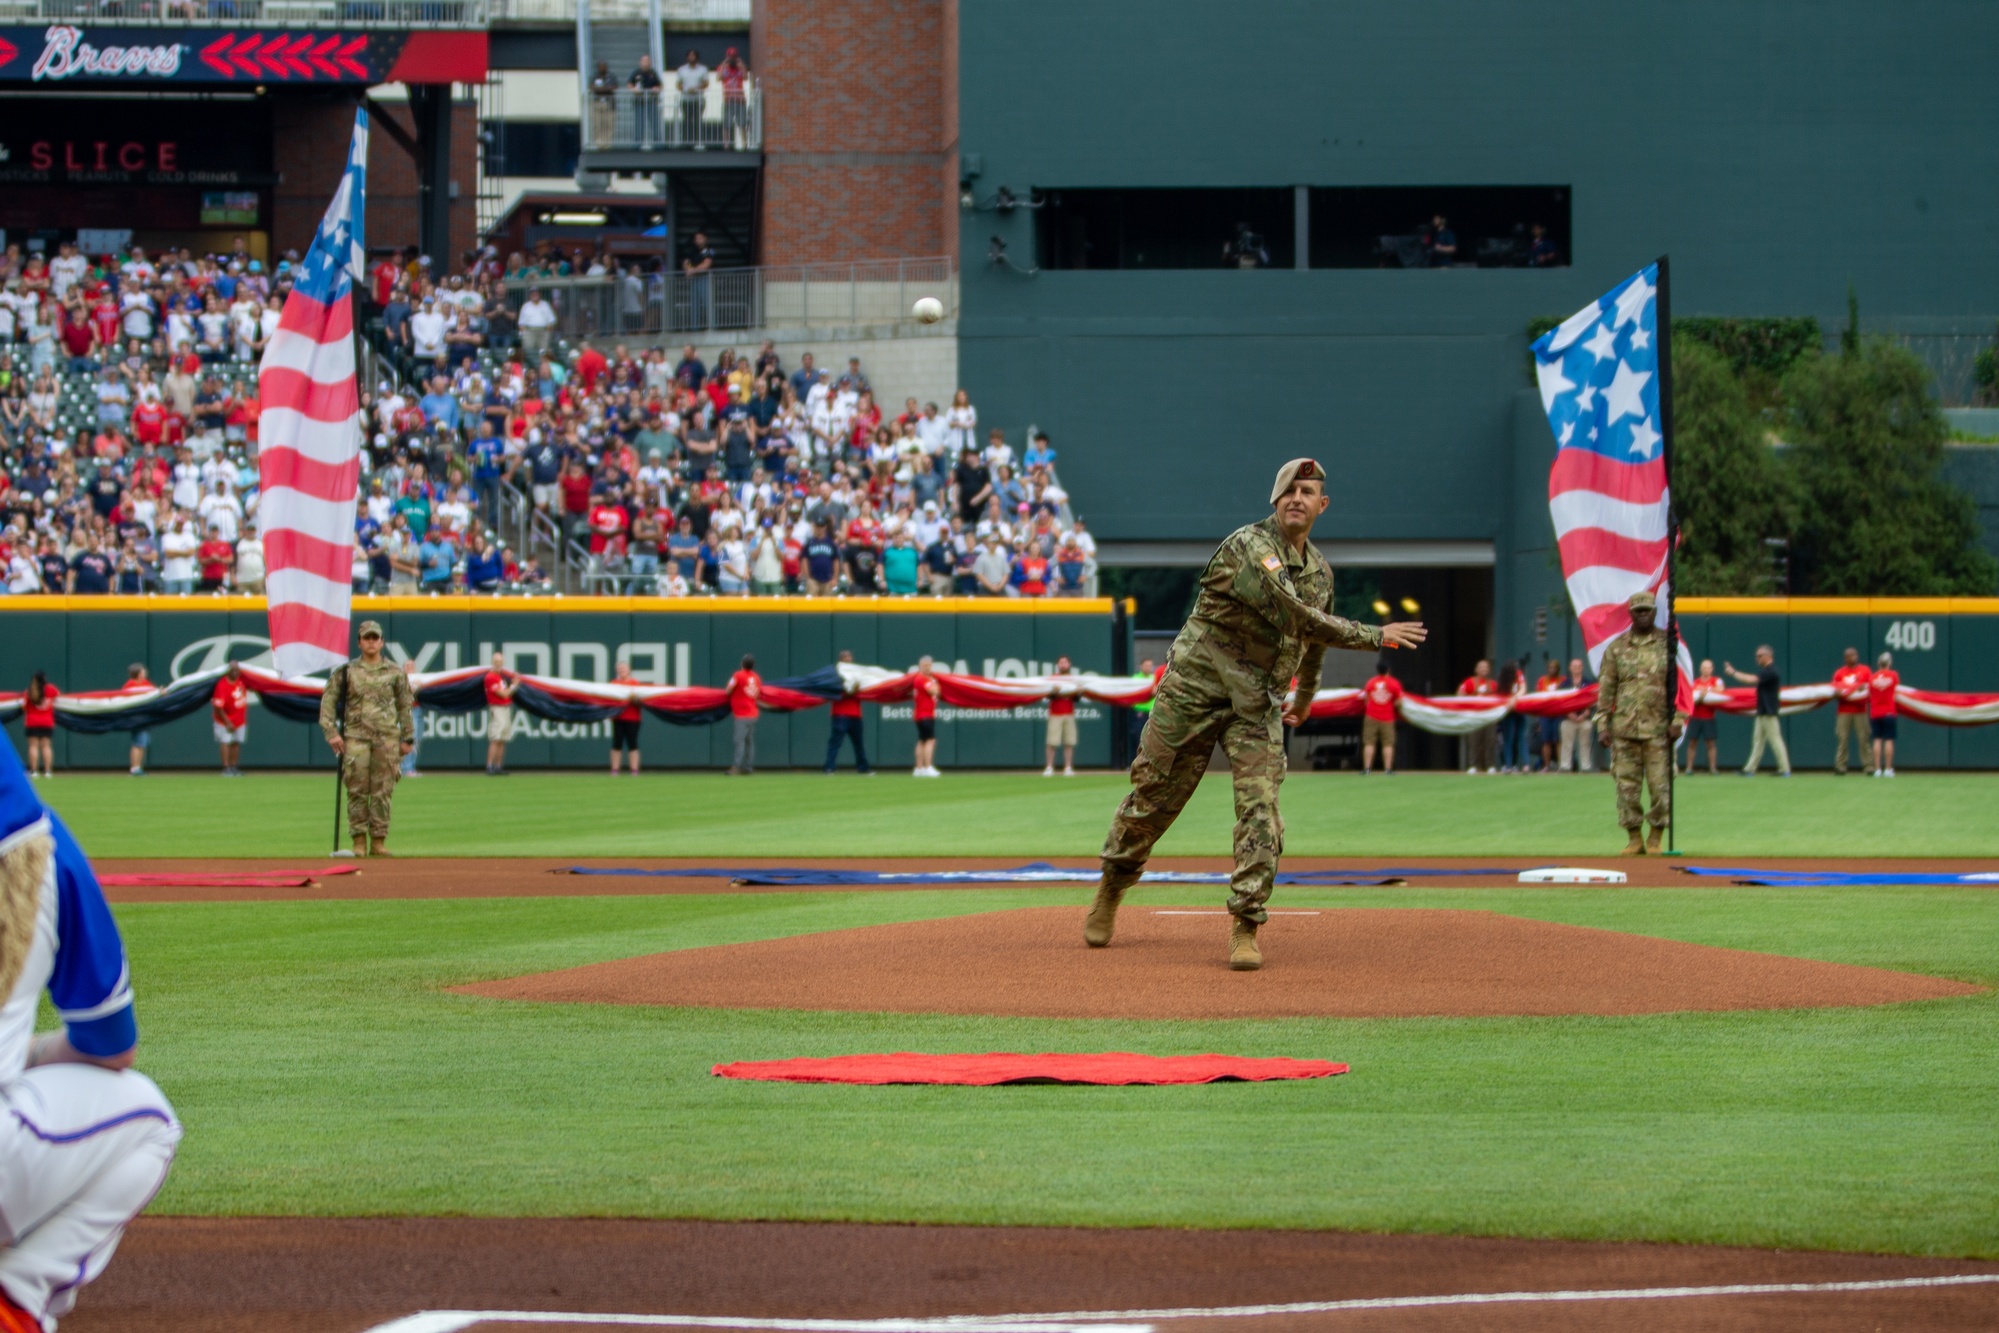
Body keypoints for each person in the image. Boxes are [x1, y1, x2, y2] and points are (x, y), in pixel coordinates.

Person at [1087, 459, 1425, 971]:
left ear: (1322, 505)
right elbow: (1295, 616)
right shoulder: (1249, 547)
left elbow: (1311, 643)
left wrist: (1307, 694)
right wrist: (1374, 634)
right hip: (1194, 691)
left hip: (1255, 704)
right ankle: (1113, 886)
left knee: (1261, 810)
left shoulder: (1320, 573)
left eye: (1308, 491)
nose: (1297, 498)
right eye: (1289, 490)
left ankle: (1246, 924)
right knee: (1154, 799)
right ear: (1274, 499)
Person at [0, 732, 182, 1332]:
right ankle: (14, 1300)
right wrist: (25, 1054)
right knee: (147, 1120)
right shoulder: (43, 845)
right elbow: (110, 1046)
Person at [1594, 591, 1686, 855]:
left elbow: (1682, 686)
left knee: (1661, 786)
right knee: (1626, 788)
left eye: (1647, 610)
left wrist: (1678, 719)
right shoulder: (1617, 647)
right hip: (1624, 729)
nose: (1643, 614)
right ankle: (1634, 838)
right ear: (1631, 614)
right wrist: (1603, 724)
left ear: (1655, 613)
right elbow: (1606, 688)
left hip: (1659, 730)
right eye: (1638, 611)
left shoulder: (1669, 645)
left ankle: (1656, 837)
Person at [318, 622, 416, 857]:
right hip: (356, 738)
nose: (371, 642)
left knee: (383, 791)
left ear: (382, 642)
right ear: (359, 642)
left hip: (387, 739)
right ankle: (359, 841)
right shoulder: (346, 672)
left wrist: (408, 737)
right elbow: (328, 702)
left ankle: (379, 841)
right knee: (357, 790)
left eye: (375, 638)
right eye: (367, 638)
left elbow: (405, 705)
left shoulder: (394, 672)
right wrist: (331, 732)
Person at [1725, 645, 1790, 776]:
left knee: (1775, 740)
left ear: (1768, 656)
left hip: (1769, 711)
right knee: (1757, 742)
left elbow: (1751, 680)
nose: (1757, 659)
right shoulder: (1767, 671)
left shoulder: (1771, 671)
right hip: (1762, 711)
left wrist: (1733, 672)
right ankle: (1749, 769)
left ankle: (1784, 770)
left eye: (1759, 656)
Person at [824, 650, 873, 775]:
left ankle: (863, 768)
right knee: (836, 742)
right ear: (840, 660)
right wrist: (850, 691)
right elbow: (835, 693)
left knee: (859, 744)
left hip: (855, 715)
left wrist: (856, 690)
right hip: (840, 714)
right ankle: (829, 767)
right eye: (844, 657)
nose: (847, 658)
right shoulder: (836, 675)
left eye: (849, 656)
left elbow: (864, 689)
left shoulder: (858, 674)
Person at [1831, 647, 1871, 776]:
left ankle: (1869, 766)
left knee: (1863, 738)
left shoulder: (1865, 671)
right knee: (1842, 738)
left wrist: (1863, 688)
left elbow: (1870, 687)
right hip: (1844, 710)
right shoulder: (1839, 673)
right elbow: (1834, 690)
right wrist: (1838, 693)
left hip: (1860, 710)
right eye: (1851, 656)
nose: (1854, 657)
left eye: (1855, 655)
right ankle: (1841, 766)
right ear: (1845, 658)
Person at [1360, 659, 1403, 773]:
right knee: (1388, 743)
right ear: (1388, 669)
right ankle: (1388, 769)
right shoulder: (1394, 683)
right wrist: (1391, 704)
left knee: (1369, 742)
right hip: (1387, 717)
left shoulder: (1370, 682)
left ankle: (1367, 769)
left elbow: (1366, 700)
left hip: (1371, 716)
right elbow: (1399, 702)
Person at [1682, 658, 1722, 776]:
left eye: (1708, 668)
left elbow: (1721, 690)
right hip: (1695, 717)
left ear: (1712, 669)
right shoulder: (1695, 682)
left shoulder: (1716, 681)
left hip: (1709, 718)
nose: (1706, 670)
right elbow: (1692, 697)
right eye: (1704, 668)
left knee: (1710, 743)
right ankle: (1689, 768)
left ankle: (1713, 769)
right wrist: (1700, 697)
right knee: (1692, 743)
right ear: (1700, 669)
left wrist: (1706, 690)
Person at [1458, 659, 1499, 773]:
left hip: (1489, 717)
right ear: (1476, 669)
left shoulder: (1494, 684)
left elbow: (1499, 699)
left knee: (1490, 741)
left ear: (1489, 669)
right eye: (1481, 667)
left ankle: (1490, 765)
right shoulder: (1469, 682)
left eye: (1486, 667)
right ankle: (1473, 765)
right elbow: (1460, 695)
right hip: (1474, 716)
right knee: (1474, 741)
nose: (1484, 669)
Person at [1043, 654, 1079, 777]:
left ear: (1069, 664)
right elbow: (1047, 695)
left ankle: (1068, 767)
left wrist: (1074, 691)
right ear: (1058, 665)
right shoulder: (1053, 679)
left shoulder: (1073, 679)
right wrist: (1055, 691)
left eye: (1065, 662)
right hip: (1055, 713)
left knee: (1069, 742)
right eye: (1061, 662)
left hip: (1069, 713)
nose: (1063, 665)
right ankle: (1049, 767)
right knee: (1052, 741)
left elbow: (1077, 698)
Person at [210, 661, 248, 777]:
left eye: (237, 670)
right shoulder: (222, 685)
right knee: (225, 741)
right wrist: (227, 722)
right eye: (233, 670)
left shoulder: (241, 682)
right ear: (228, 671)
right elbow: (218, 707)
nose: (236, 672)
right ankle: (226, 768)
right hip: (224, 720)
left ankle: (233, 766)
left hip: (239, 719)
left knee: (236, 742)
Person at [483, 652, 517, 775]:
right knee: (496, 738)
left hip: (505, 708)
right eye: (496, 662)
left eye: (500, 662)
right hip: (497, 708)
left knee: (502, 739)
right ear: (492, 663)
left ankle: (498, 766)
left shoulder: (500, 677)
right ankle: (489, 766)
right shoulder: (491, 677)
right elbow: (503, 694)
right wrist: (514, 686)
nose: (498, 664)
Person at [1557, 657, 1594, 772]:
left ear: (1582, 668)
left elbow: (1592, 700)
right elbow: (1560, 702)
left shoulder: (1588, 683)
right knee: (1567, 743)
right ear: (1570, 668)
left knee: (1585, 743)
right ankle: (1565, 766)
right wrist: (1570, 714)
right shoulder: (1564, 684)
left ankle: (1585, 766)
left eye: (1579, 666)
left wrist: (1585, 714)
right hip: (1568, 719)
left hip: (1584, 718)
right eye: (1575, 666)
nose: (1577, 668)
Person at [726, 653, 760, 775]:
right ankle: (748, 767)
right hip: (753, 713)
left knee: (739, 741)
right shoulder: (756, 677)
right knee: (749, 741)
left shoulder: (738, 675)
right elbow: (757, 693)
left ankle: (736, 767)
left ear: (742, 664)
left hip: (742, 714)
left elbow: (728, 690)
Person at [1868, 651, 1901, 778]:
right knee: (1888, 740)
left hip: (1875, 712)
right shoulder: (1893, 675)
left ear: (1878, 663)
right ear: (1889, 663)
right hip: (1889, 712)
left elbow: (1869, 693)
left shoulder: (1872, 678)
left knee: (1877, 739)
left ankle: (1877, 769)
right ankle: (1888, 769)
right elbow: (1897, 690)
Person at [610, 659, 645, 775]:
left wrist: (634, 699)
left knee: (632, 743)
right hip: (618, 718)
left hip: (633, 718)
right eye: (620, 669)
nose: (622, 671)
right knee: (617, 743)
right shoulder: (613, 683)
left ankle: (634, 769)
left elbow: (641, 701)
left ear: (629, 670)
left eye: (624, 668)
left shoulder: (635, 683)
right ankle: (615, 769)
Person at [911, 655, 942, 777]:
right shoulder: (921, 679)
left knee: (922, 740)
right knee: (930, 740)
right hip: (924, 714)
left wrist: (935, 686)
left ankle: (919, 768)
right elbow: (934, 691)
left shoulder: (929, 679)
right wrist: (935, 687)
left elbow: (936, 690)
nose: (927, 668)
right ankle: (928, 767)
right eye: (925, 665)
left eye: (929, 665)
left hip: (925, 713)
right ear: (920, 666)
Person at [20, 674, 56, 779]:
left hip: (32, 722)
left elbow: (23, 707)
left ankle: (34, 771)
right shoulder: (51, 689)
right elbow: (59, 699)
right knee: (46, 746)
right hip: (47, 722)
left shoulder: (29, 692)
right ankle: (48, 771)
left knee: (33, 746)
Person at [1496, 661, 1528, 772]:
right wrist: (1514, 699)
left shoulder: (1502, 677)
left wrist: (1513, 699)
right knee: (1518, 738)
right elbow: (1523, 689)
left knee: (1509, 738)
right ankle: (1525, 765)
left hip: (1513, 708)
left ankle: (1509, 765)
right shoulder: (1516, 674)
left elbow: (1522, 689)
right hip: (1513, 709)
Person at [121, 664, 153, 776]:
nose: (145, 673)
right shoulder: (129, 685)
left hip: (146, 717)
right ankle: (134, 768)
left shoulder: (147, 684)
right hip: (135, 717)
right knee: (137, 742)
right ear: (138, 674)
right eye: (143, 672)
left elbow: (154, 694)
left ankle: (139, 767)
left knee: (143, 743)